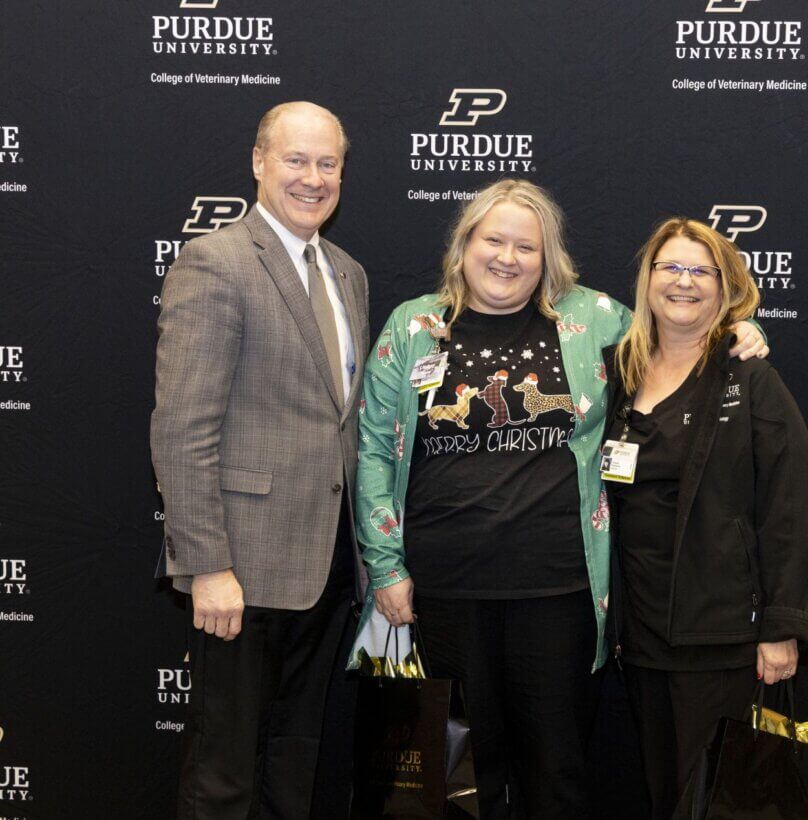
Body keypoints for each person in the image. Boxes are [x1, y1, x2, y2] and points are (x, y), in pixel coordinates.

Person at [352, 180, 766, 819]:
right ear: (464, 244)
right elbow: (375, 448)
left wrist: (741, 327)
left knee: (558, 770)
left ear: (549, 259)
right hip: (443, 592)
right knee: (459, 777)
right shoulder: (413, 325)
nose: (508, 258)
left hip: (561, 593)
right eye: (494, 240)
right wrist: (386, 566)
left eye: (528, 246)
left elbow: (679, 336)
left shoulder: (594, 319)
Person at [150, 101, 368, 820]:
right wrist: (206, 564)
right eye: (296, 160)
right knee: (224, 774)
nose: (313, 178)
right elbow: (182, 428)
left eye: (327, 163)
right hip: (240, 571)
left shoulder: (347, 274)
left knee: (293, 763)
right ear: (258, 162)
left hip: (327, 569)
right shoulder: (215, 262)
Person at [601, 217, 808, 818]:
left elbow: (788, 506)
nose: (684, 282)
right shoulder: (617, 371)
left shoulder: (749, 377)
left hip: (723, 637)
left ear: (726, 289)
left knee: (723, 803)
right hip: (640, 637)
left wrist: (781, 626)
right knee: (665, 795)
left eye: (702, 271)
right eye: (670, 267)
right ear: (647, 281)